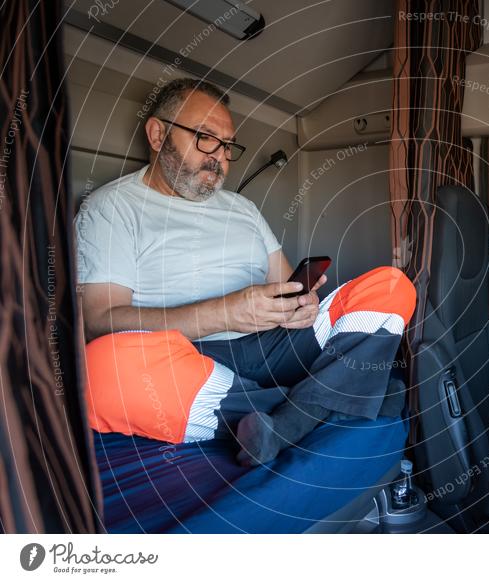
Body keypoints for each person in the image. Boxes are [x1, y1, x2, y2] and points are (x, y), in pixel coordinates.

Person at [75, 78, 416, 466]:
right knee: (101, 370)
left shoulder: (242, 209)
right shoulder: (111, 208)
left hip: (274, 346)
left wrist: (303, 305)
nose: (219, 157)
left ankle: (293, 417)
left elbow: (288, 285)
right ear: (157, 134)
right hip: (192, 360)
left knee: (390, 285)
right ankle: (326, 399)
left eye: (227, 146)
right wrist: (226, 313)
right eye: (206, 138)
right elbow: (99, 322)